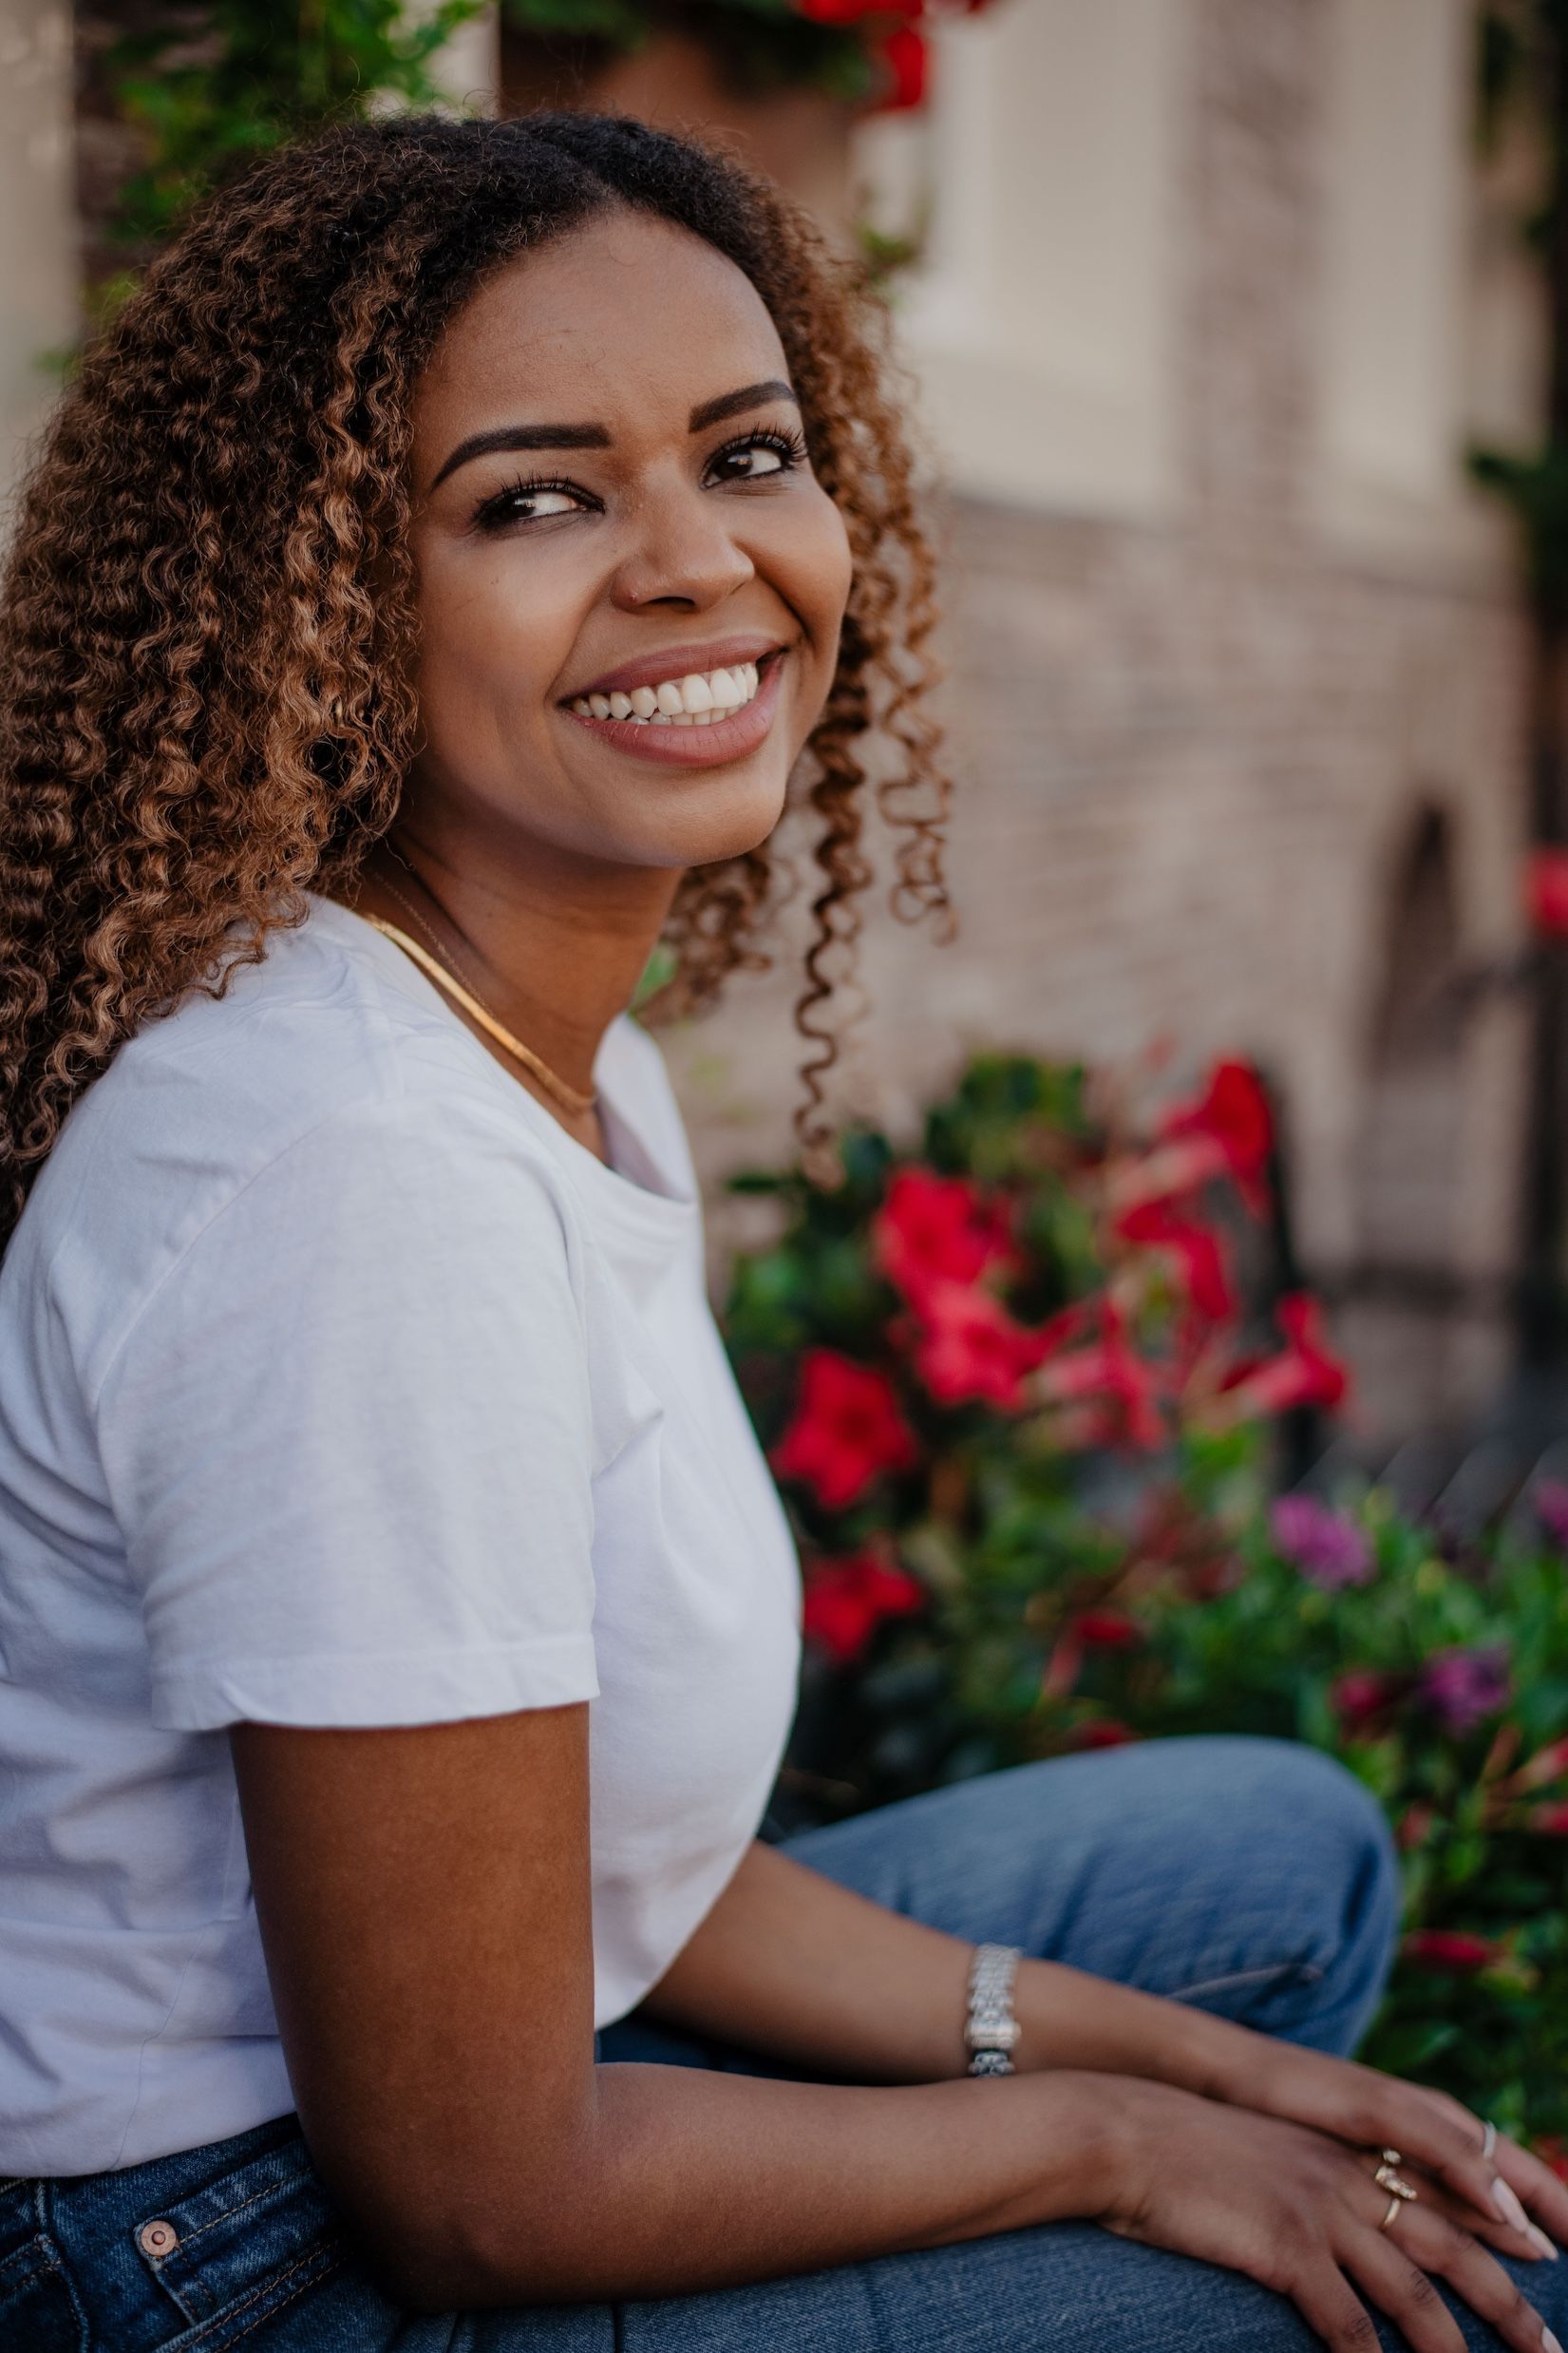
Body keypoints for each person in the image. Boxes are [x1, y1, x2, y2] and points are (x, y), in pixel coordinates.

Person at [0, 112, 1561, 2353]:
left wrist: (1195, 2063)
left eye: (745, 455)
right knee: (1427, 2315)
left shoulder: (558, 1061)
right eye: (533, 497)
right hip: (211, 2264)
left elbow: (636, 1872)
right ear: (323, 600)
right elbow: (482, 2193)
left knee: (1273, 1867)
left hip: (470, 2087)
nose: (692, 562)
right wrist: (1126, 2146)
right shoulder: (358, 1184)